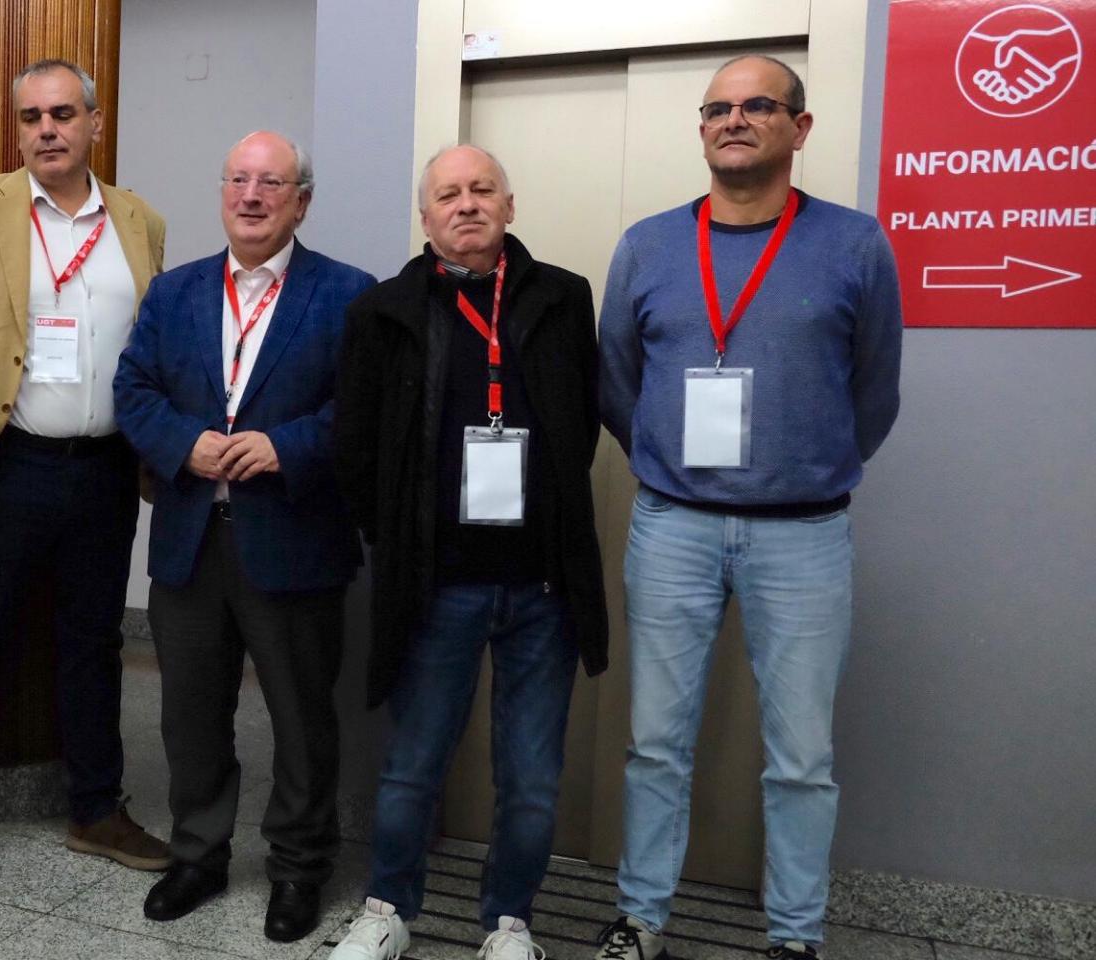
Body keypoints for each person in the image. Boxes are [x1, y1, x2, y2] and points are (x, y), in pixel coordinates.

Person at [591, 55, 902, 960]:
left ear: (798, 129)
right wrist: (667, 461)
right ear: (701, 129)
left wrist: (806, 465)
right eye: (718, 108)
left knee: (801, 760)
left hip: (804, 534)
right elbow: (618, 382)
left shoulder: (853, 245)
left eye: (758, 105)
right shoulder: (648, 245)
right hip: (673, 528)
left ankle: (795, 938)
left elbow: (874, 393)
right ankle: (643, 919)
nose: (735, 120)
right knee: (655, 745)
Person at [0, 58, 171, 903]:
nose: (46, 129)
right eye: (30, 117)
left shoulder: (141, 222)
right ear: (17, 129)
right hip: (3, 461)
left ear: (95, 123)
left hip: (104, 468)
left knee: (94, 643)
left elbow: (158, 344)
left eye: (62, 114)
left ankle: (95, 808)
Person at [329, 144, 609, 960]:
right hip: (436, 584)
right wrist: (403, 541)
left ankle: (508, 923)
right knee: (413, 765)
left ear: (509, 206)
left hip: (543, 585)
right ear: (425, 218)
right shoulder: (383, 310)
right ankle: (388, 908)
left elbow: (580, 423)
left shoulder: (563, 298)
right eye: (447, 194)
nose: (466, 204)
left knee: (529, 778)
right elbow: (355, 448)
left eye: (482, 189)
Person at [114, 131, 375, 943]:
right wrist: (182, 443)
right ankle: (199, 851)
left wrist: (284, 445)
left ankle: (298, 867)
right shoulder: (176, 292)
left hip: (293, 536)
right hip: (192, 536)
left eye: (272, 183)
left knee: (300, 716)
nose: (252, 196)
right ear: (222, 191)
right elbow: (134, 388)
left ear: (302, 199)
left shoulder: (347, 293)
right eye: (238, 180)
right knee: (190, 713)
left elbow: (364, 412)